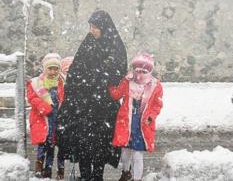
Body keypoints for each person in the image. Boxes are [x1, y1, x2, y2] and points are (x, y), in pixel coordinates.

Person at [57, 10, 128, 181]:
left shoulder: (115, 46)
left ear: (104, 27)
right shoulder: (87, 43)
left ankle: (97, 176)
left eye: (95, 27)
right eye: (90, 26)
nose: (91, 30)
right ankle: (85, 175)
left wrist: (98, 76)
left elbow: (118, 72)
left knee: (100, 144)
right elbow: (76, 71)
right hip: (83, 105)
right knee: (83, 142)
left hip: (103, 106)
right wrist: (82, 86)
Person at [109, 52, 163, 181]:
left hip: (142, 124)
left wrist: (151, 116)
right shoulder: (127, 81)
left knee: (137, 154)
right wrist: (110, 85)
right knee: (125, 151)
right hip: (126, 121)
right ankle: (126, 172)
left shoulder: (155, 86)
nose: (139, 74)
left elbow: (157, 104)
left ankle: (137, 178)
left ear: (149, 70)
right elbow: (116, 95)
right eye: (137, 70)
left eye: (144, 71)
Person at [26, 53, 65, 179]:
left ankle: (48, 168)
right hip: (41, 117)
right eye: (50, 68)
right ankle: (39, 166)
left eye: (56, 69)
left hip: (56, 118)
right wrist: (43, 106)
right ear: (44, 68)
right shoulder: (36, 83)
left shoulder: (61, 83)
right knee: (42, 143)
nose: (53, 71)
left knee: (52, 143)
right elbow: (31, 97)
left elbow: (65, 99)